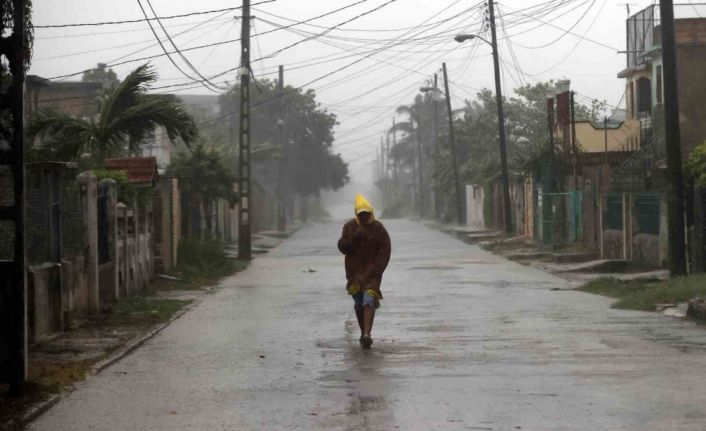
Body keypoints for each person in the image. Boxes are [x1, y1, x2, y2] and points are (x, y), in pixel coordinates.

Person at [337, 194, 391, 349]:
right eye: (360, 214)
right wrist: (355, 236)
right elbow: (345, 248)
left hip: (372, 274)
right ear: (356, 214)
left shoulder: (378, 228)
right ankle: (363, 333)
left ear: (371, 213)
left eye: (366, 214)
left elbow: (385, 251)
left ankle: (367, 334)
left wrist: (376, 269)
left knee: (369, 301)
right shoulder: (349, 227)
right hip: (354, 274)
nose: (363, 217)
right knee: (358, 305)